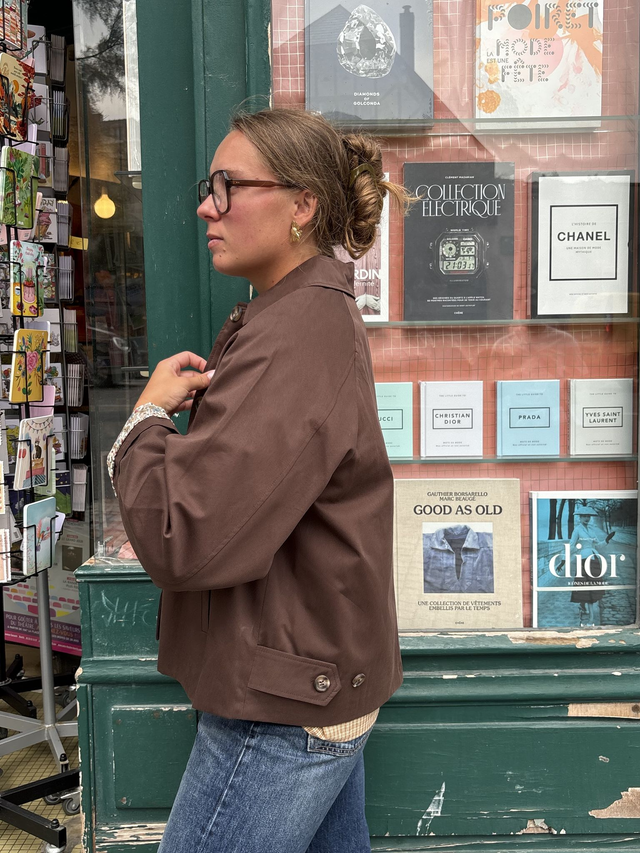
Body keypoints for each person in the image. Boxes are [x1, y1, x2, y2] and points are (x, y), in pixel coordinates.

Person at [107, 108, 410, 853]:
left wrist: (144, 420)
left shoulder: (298, 332)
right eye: (208, 188)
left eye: (228, 186)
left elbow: (185, 537)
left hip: (281, 706)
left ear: (303, 204)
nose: (206, 208)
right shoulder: (292, 318)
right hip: (300, 678)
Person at [569, 507, 611, 627]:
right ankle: (591, 619)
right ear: (580, 517)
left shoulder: (592, 530)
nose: (587, 518)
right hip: (583, 561)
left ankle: (584, 608)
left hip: (594, 560)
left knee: (591, 587)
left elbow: (598, 545)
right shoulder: (577, 530)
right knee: (586, 588)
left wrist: (606, 540)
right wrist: (564, 559)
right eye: (584, 516)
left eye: (588, 516)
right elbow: (571, 546)